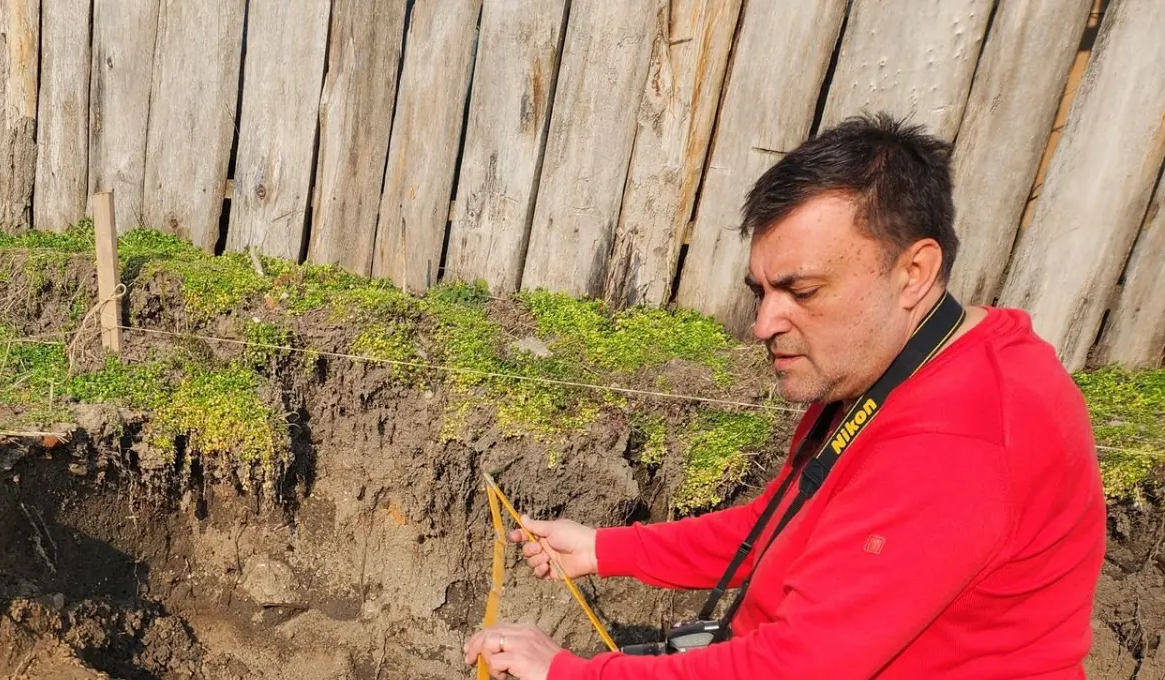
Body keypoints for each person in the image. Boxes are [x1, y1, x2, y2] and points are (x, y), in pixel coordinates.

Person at [462, 113, 1105, 679]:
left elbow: (796, 667)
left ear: (914, 273)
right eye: (760, 292)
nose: (764, 324)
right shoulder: (890, 362)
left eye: (802, 292)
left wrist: (569, 673)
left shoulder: (958, 440)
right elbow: (778, 525)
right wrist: (605, 549)